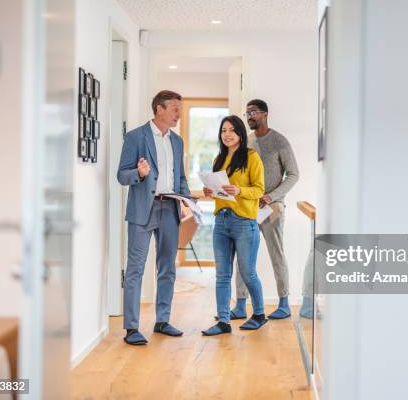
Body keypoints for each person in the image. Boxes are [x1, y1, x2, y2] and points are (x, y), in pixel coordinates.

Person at [117, 90, 190, 345]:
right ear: (159, 109)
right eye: (174, 109)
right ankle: (131, 328)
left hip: (170, 208)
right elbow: (121, 176)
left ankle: (162, 320)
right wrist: (138, 172)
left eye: (179, 110)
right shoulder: (136, 136)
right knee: (135, 268)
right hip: (142, 209)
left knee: (167, 268)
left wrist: (185, 199)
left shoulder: (177, 141)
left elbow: (180, 176)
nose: (178, 114)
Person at [229, 99, 300, 320]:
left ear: (265, 114)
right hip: (248, 207)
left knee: (276, 254)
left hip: (272, 208)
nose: (249, 116)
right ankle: (240, 305)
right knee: (243, 256)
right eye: (247, 113)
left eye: (254, 112)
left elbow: (294, 174)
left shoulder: (280, 142)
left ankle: (284, 303)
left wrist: (271, 197)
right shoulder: (247, 142)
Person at [201, 115, 267, 336]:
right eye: (223, 130)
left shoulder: (251, 157)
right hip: (221, 220)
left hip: (244, 222)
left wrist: (240, 191)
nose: (227, 134)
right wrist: (210, 192)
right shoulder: (219, 159)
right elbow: (220, 192)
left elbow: (259, 190)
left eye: (231, 130)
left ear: (240, 133)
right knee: (222, 275)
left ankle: (258, 314)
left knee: (247, 272)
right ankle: (223, 321)